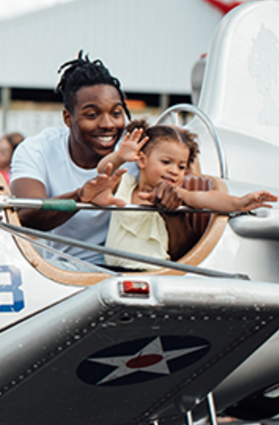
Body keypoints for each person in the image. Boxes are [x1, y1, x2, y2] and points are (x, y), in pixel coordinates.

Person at [10, 50, 192, 268]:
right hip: (62, 271)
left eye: (116, 113)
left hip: (132, 272)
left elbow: (186, 250)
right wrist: (80, 197)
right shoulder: (36, 149)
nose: (107, 124)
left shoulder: (143, 151)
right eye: (92, 114)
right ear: (68, 118)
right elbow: (26, 216)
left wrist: (170, 208)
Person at [99, 121, 276, 270]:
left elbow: (205, 198)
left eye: (181, 167)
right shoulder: (126, 185)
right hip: (112, 270)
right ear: (142, 160)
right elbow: (103, 172)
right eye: (166, 162)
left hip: (153, 271)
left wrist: (239, 202)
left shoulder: (178, 194)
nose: (174, 171)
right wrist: (119, 156)